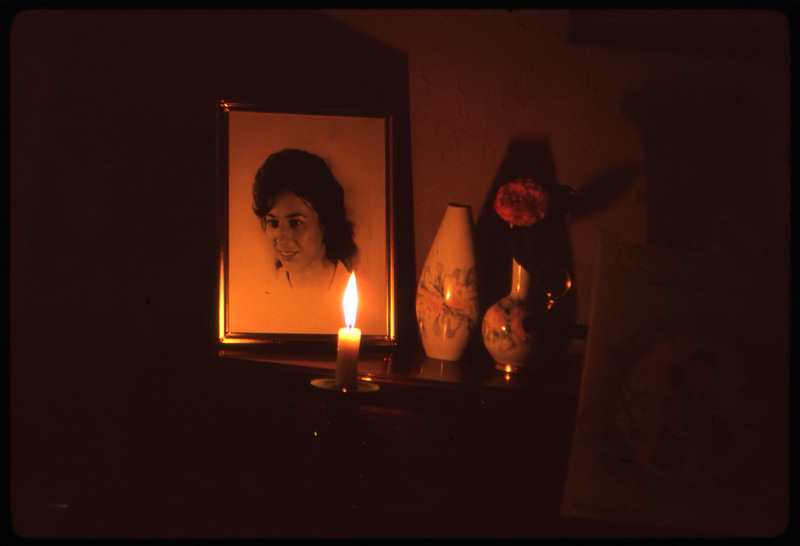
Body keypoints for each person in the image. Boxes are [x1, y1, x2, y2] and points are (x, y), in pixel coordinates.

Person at [252, 148, 358, 331]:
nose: (282, 237)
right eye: (273, 222)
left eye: (296, 223)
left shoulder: (352, 291)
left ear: (326, 221)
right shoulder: (264, 294)